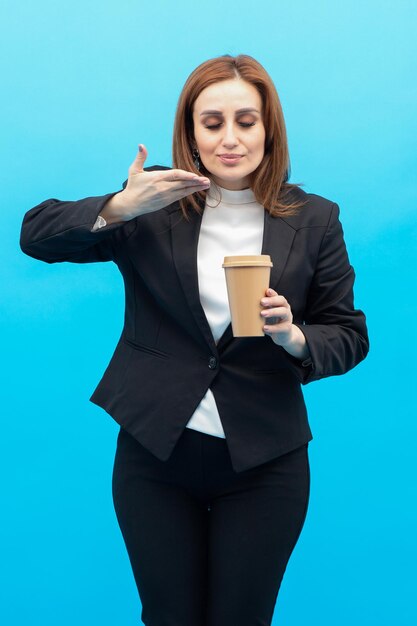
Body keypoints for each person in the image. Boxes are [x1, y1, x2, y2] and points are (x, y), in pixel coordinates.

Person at [20, 54, 369, 626]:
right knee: (168, 615)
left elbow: (349, 333)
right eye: (212, 123)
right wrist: (119, 206)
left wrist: (295, 337)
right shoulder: (154, 203)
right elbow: (36, 234)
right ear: (189, 132)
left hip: (265, 460)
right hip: (156, 453)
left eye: (246, 121)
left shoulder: (316, 218)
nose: (230, 138)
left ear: (268, 129)